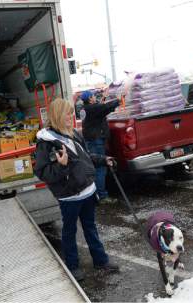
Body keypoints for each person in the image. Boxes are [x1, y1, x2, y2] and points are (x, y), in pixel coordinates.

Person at [35, 98, 119, 282]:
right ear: (58, 115)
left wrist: (103, 159)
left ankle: (101, 261)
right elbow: (43, 173)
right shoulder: (46, 142)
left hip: (88, 190)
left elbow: (85, 157)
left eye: (72, 113)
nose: (71, 116)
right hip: (69, 196)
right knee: (69, 231)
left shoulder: (73, 133)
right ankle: (72, 266)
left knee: (90, 227)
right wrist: (62, 166)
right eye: (68, 113)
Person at [81, 90, 120, 204]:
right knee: (100, 168)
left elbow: (103, 109)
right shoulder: (92, 108)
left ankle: (97, 194)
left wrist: (104, 100)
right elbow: (104, 107)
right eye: (93, 96)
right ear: (90, 99)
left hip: (92, 140)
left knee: (96, 168)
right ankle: (102, 196)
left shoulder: (85, 109)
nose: (95, 97)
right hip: (96, 141)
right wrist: (118, 99)